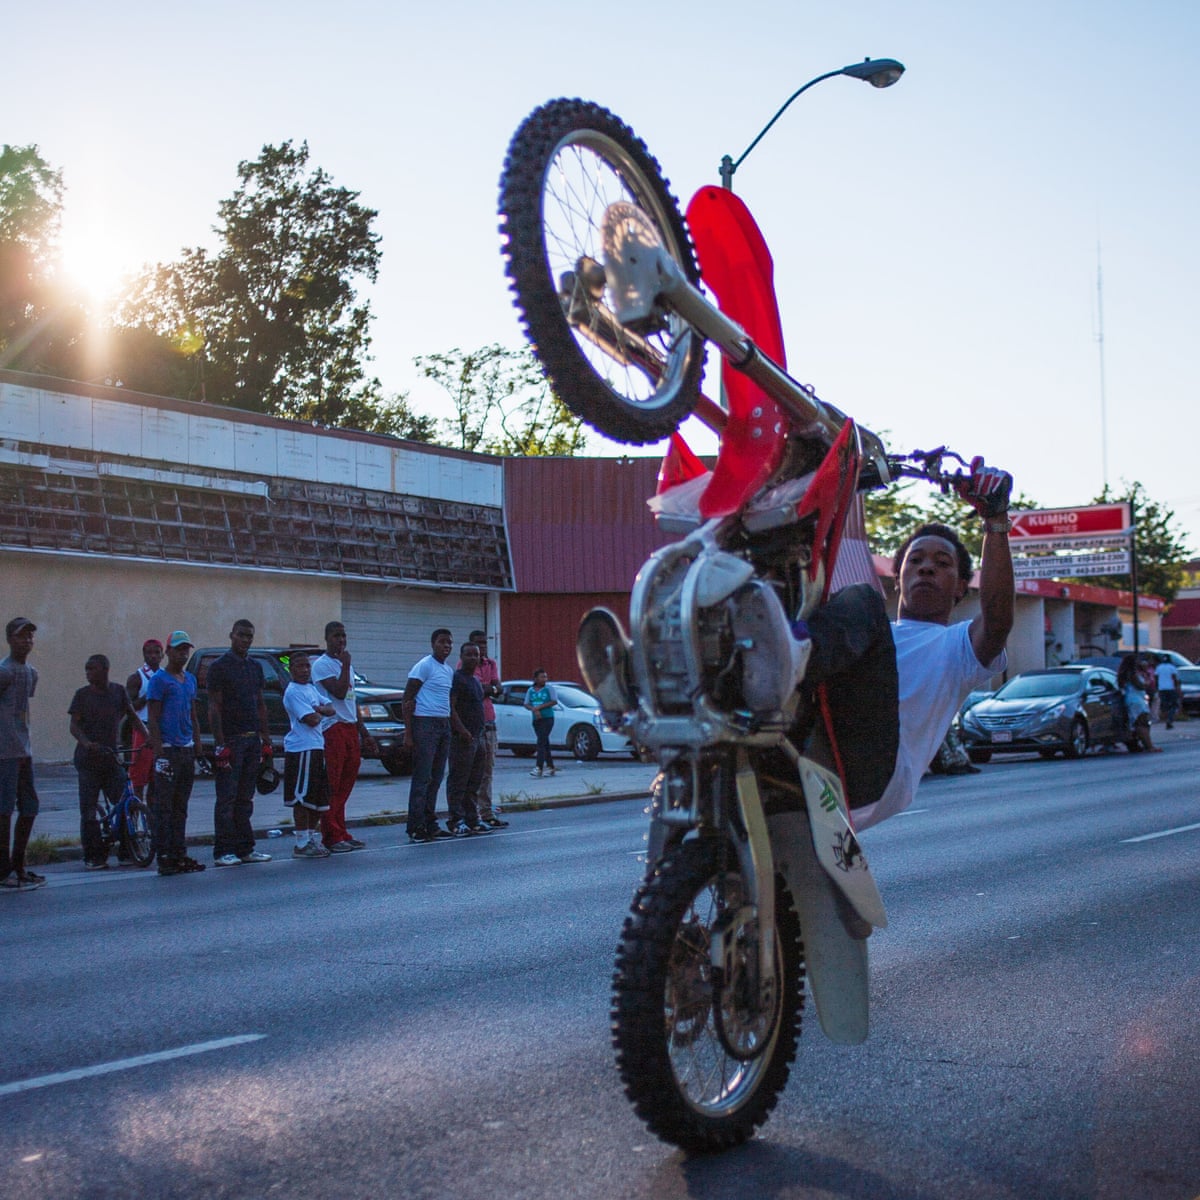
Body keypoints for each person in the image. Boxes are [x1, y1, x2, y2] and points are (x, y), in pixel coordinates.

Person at [793, 459, 1014, 830]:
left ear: (961, 587)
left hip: (874, 774)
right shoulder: (855, 631)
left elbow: (997, 620)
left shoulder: (956, 647)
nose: (927, 568)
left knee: (859, 598)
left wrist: (995, 523)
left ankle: (783, 658)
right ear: (898, 577)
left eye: (942, 564)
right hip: (812, 769)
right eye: (916, 560)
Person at [68, 654, 149, 870]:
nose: (88, 673)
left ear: (105, 670)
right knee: (88, 809)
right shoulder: (82, 696)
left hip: (111, 759)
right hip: (89, 761)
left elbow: (132, 716)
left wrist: (148, 737)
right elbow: (74, 726)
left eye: (91, 669)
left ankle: (127, 850)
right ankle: (94, 856)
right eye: (86, 669)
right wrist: (86, 743)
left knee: (125, 802)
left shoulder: (117, 692)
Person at [206, 619, 273, 867]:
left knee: (246, 797)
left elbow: (260, 703)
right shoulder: (219, 667)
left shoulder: (254, 667)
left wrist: (265, 739)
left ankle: (245, 848)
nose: (246, 639)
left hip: (252, 738)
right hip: (231, 740)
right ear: (231, 635)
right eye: (241, 635)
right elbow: (214, 706)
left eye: (250, 636)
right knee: (227, 798)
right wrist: (220, 744)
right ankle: (223, 850)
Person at [145, 631, 207, 875]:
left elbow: (192, 713)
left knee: (181, 805)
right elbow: (153, 716)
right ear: (168, 652)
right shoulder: (159, 681)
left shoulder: (189, 679)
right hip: (168, 750)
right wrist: (159, 751)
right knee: (165, 805)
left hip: (186, 748)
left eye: (186, 650)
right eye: (178, 649)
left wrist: (198, 744)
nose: (182, 654)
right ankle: (165, 855)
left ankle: (179, 852)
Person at [310, 621, 376, 853]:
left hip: (349, 727)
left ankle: (341, 830)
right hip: (333, 727)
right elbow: (337, 691)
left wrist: (364, 731)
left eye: (344, 636)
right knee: (333, 784)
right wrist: (346, 665)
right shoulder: (322, 665)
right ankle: (331, 834)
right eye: (337, 636)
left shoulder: (345, 664)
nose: (341, 640)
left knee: (347, 782)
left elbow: (351, 698)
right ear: (327, 638)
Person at [0, 617, 45, 891]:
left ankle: (18, 865)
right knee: (4, 811)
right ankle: (3, 870)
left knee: (29, 807)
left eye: (29, 637)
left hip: (23, 750)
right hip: (4, 751)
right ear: (9, 640)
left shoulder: (31, 673)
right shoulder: (3, 672)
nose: (26, 641)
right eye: (20, 637)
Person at [402, 629, 456, 843]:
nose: (446, 646)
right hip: (424, 724)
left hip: (443, 724)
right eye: (442, 642)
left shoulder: (448, 670)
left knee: (436, 777)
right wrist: (409, 732)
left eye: (449, 643)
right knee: (422, 778)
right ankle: (415, 826)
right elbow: (407, 698)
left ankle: (430, 822)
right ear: (433, 643)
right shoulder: (424, 666)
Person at [282, 651, 337, 859]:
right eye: (299, 666)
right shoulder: (293, 692)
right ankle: (301, 842)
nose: (305, 670)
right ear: (291, 669)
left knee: (319, 798)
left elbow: (331, 708)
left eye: (307, 666)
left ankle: (310, 837)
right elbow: (312, 719)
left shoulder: (311, 689)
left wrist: (320, 709)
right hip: (301, 748)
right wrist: (319, 710)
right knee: (301, 799)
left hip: (317, 746)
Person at [463, 629, 508, 829]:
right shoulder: (465, 666)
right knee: (471, 772)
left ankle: (486, 812)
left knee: (487, 770)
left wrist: (489, 688)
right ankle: (468, 813)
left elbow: (499, 689)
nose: (482, 648)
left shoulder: (491, 664)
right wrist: (488, 689)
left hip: (489, 722)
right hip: (471, 724)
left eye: (484, 643)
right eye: (477, 644)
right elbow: (475, 691)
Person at [446, 641, 490, 836]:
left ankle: (473, 818)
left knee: (475, 780)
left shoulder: (475, 682)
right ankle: (456, 820)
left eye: (476, 655)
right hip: (463, 738)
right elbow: (451, 707)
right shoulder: (457, 679)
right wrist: (462, 730)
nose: (473, 658)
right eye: (469, 655)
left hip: (479, 737)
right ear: (461, 657)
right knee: (458, 780)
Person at [125, 638, 164, 801]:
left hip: (162, 730)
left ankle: (152, 818)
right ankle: (135, 816)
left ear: (163, 655)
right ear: (144, 654)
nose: (153, 656)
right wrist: (148, 697)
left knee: (157, 778)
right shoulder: (137, 677)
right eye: (150, 652)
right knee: (139, 778)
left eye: (157, 652)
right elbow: (128, 706)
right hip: (144, 730)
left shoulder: (165, 675)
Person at [1119, 655, 1160, 752]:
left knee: (1141, 723)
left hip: (1135, 699)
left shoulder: (1125, 674)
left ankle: (1145, 745)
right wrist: (1147, 682)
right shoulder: (1132, 674)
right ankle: (1149, 746)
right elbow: (1140, 686)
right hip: (1136, 700)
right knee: (1141, 723)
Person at [524, 669, 558, 778]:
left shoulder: (549, 688)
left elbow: (554, 701)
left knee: (540, 742)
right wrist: (534, 709)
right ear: (535, 678)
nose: (544, 679)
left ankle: (539, 767)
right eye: (542, 677)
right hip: (536, 719)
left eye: (545, 677)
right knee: (544, 743)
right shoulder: (531, 690)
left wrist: (539, 707)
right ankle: (551, 767)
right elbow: (526, 703)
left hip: (547, 718)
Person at [1154, 655, 1181, 730]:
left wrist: (1157, 687)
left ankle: (1165, 719)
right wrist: (1177, 687)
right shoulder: (1172, 667)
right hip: (1171, 688)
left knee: (1164, 705)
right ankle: (1169, 720)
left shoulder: (1159, 667)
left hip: (1161, 688)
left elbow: (1156, 677)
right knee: (1173, 705)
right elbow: (1175, 678)